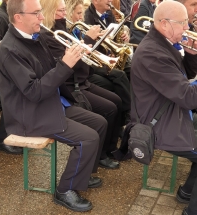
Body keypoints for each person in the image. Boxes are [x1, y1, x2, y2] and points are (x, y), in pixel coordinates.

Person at [0, 0, 108, 212]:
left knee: (100, 123)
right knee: (88, 138)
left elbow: (50, 71)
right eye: (36, 13)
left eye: (40, 12)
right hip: (29, 115)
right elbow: (34, 91)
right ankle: (65, 190)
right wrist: (66, 64)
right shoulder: (10, 49)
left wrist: (73, 56)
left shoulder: (33, 38)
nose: (41, 17)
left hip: (51, 103)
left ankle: (82, 175)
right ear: (18, 17)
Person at [131, 1, 197, 215]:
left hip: (171, 111)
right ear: (166, 24)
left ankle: (187, 192)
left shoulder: (163, 43)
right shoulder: (154, 53)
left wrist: (191, 53)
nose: (188, 28)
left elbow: (184, 77)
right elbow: (188, 97)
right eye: (184, 23)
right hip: (159, 125)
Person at [40, 0, 120, 168]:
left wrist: (97, 42)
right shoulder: (49, 35)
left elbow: (83, 59)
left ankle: (109, 149)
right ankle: (101, 155)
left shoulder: (64, 28)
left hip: (81, 80)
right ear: (49, 12)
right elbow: (69, 65)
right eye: (60, 11)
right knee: (109, 109)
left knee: (116, 101)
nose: (64, 15)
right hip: (71, 85)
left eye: (64, 10)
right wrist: (88, 41)